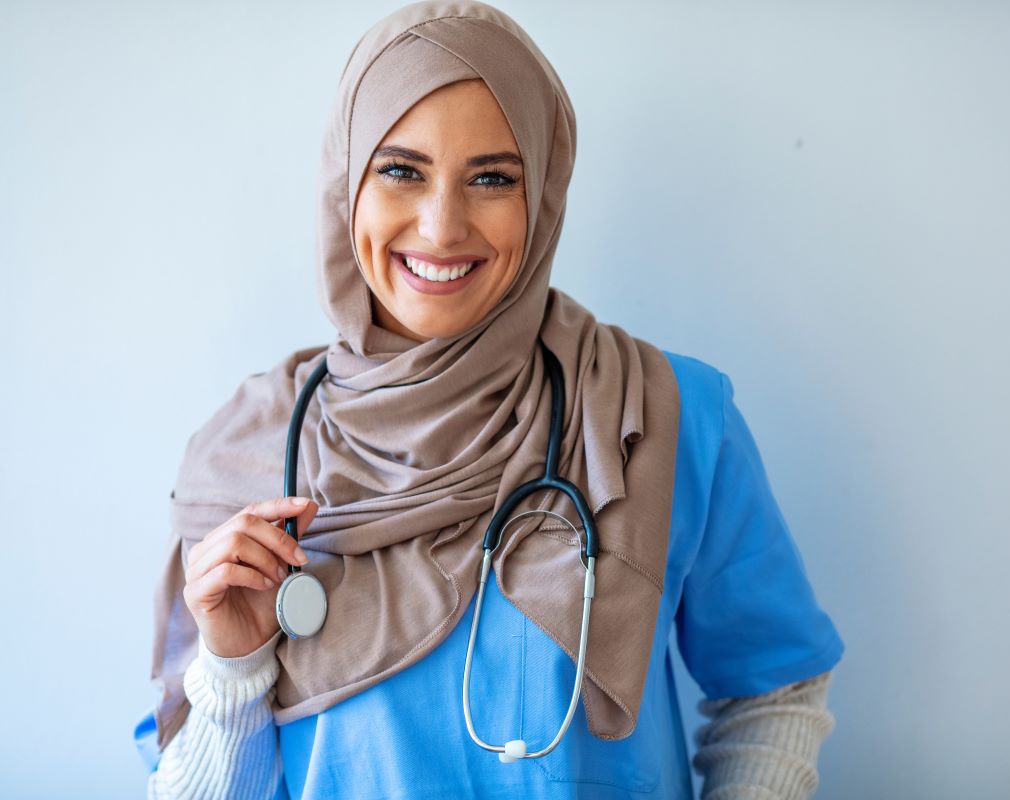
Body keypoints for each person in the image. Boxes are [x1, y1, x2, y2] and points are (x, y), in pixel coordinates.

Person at [131, 2, 846, 797]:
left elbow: (772, 690)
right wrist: (233, 672)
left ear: (541, 195)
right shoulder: (246, 453)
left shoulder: (660, 416)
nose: (441, 228)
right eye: (401, 169)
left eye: (492, 178)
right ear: (346, 185)